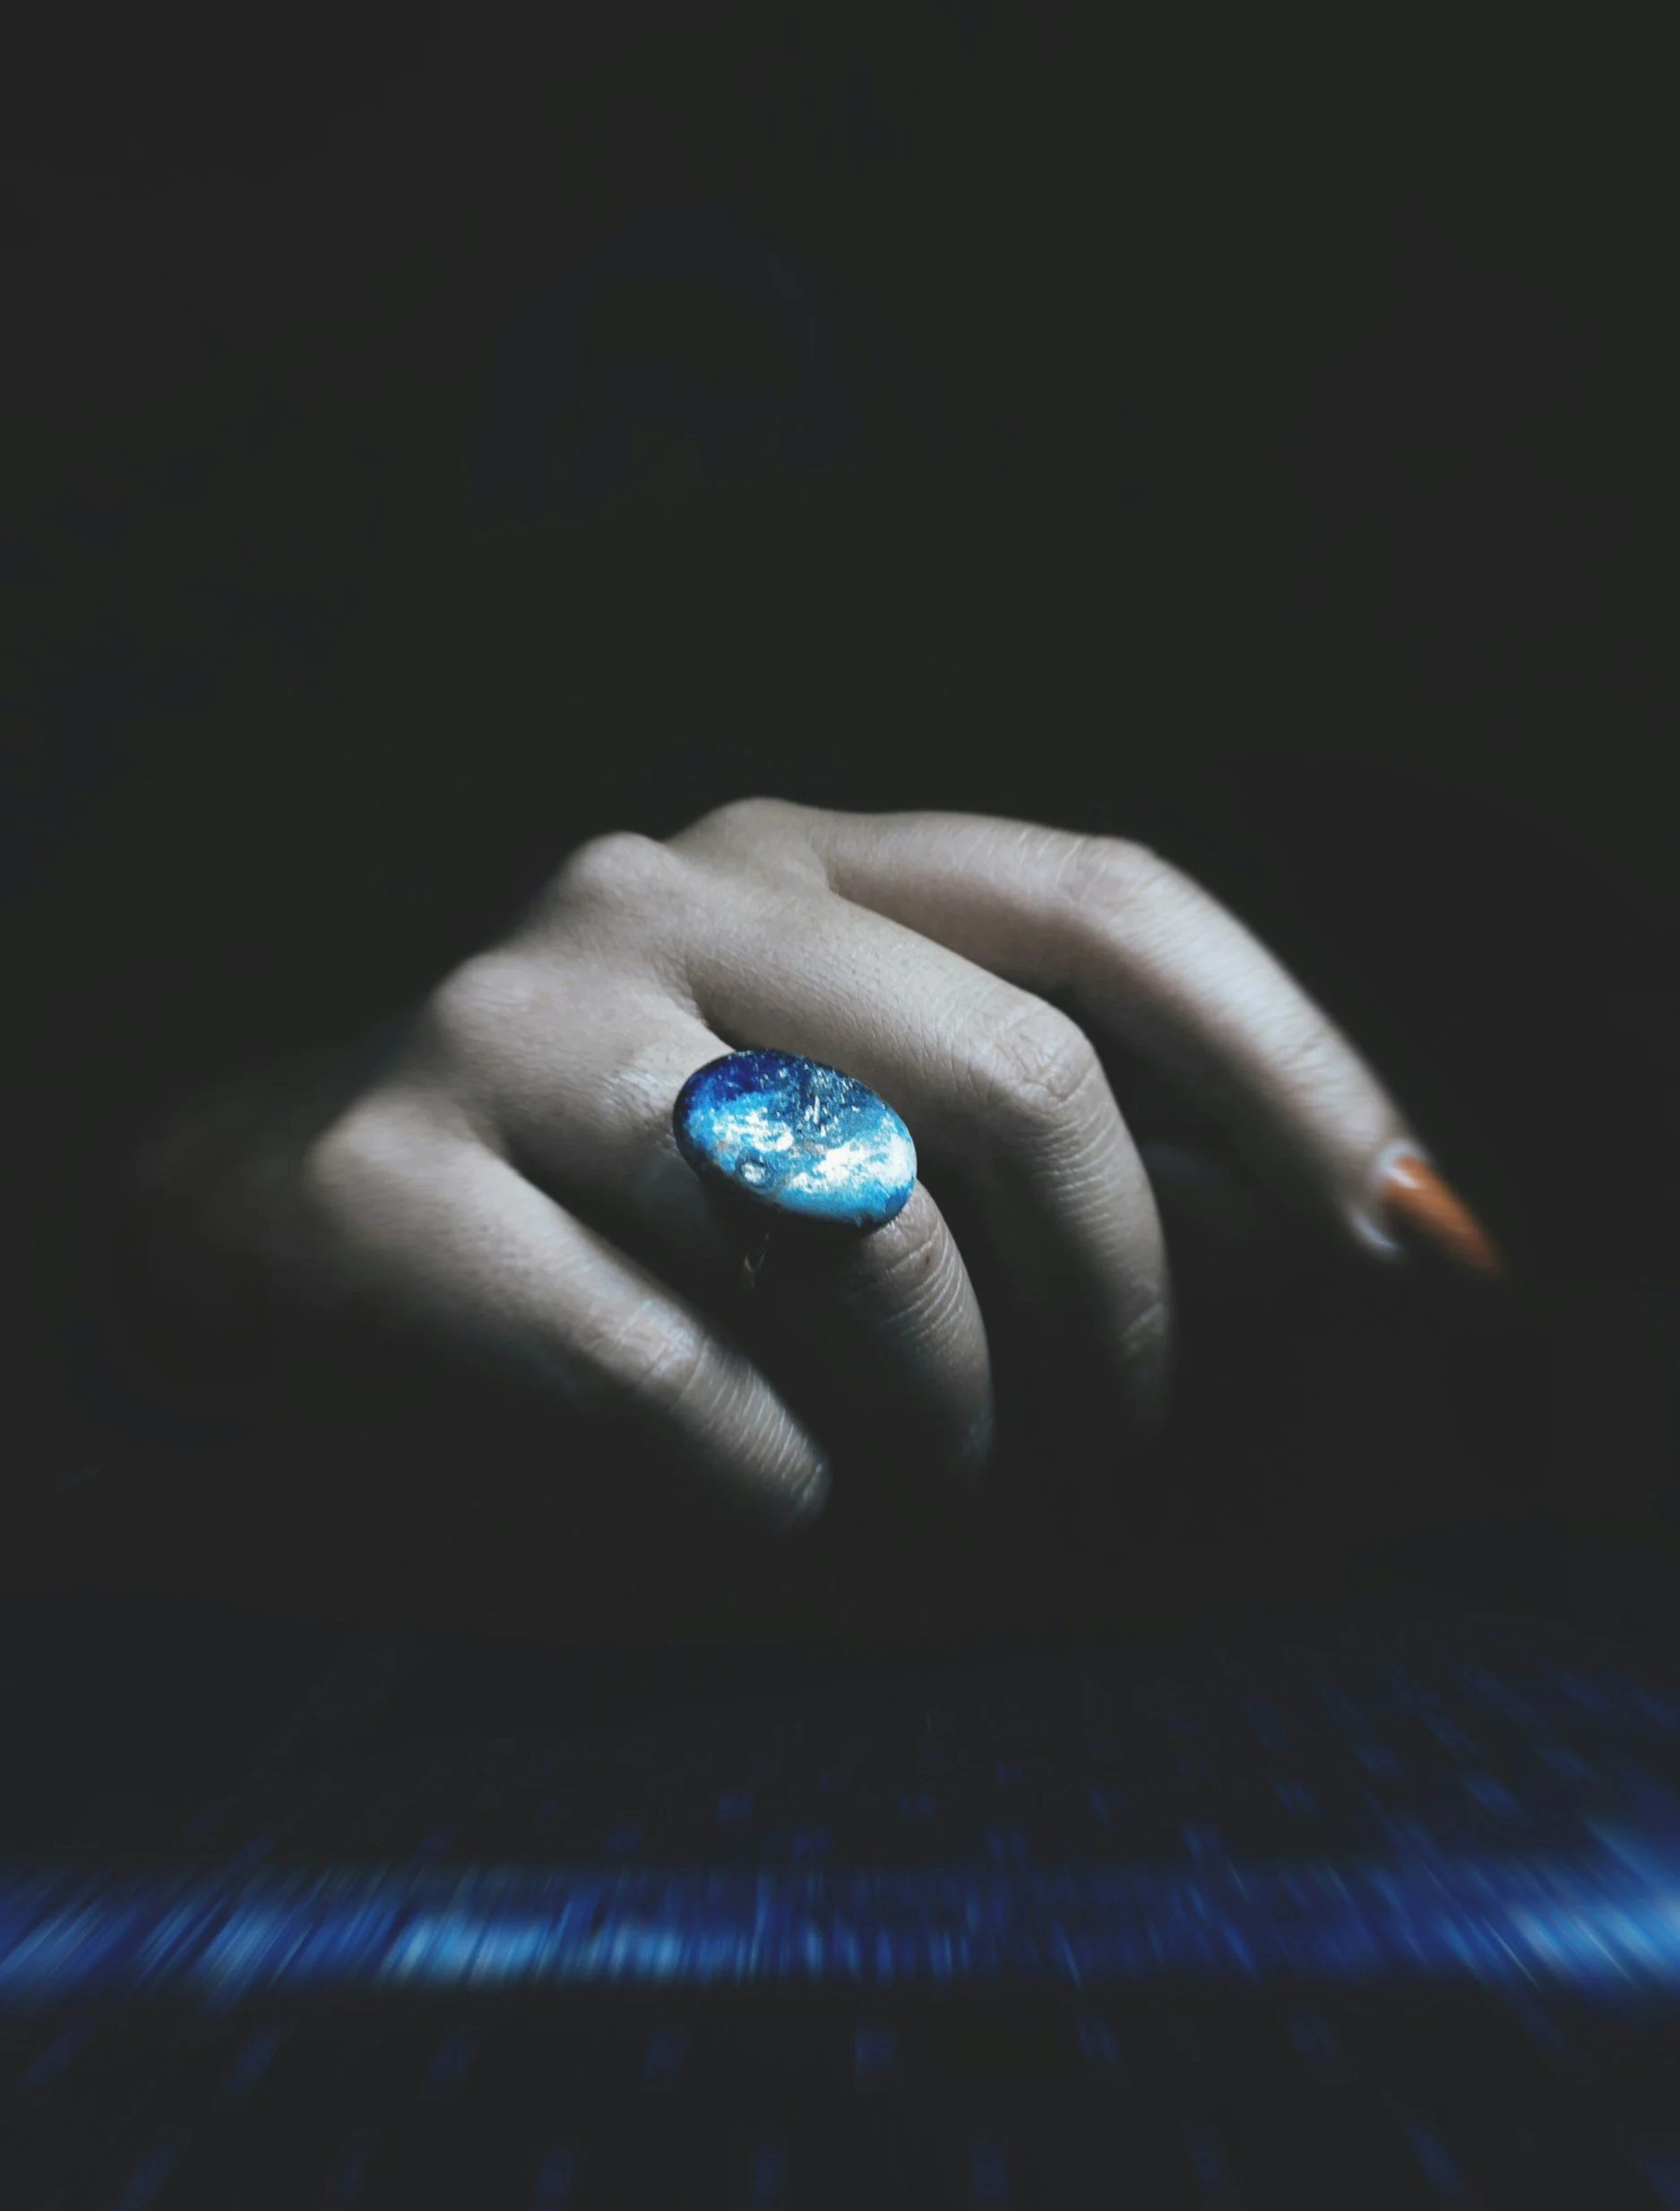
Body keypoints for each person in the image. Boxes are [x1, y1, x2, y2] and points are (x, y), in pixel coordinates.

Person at [4, 9, 1673, 1641]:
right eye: (598, 458)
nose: (688, 509)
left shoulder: (1398, 874)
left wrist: (1511, 1387)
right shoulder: (194, 862)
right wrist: (170, 1264)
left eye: (810, 429)